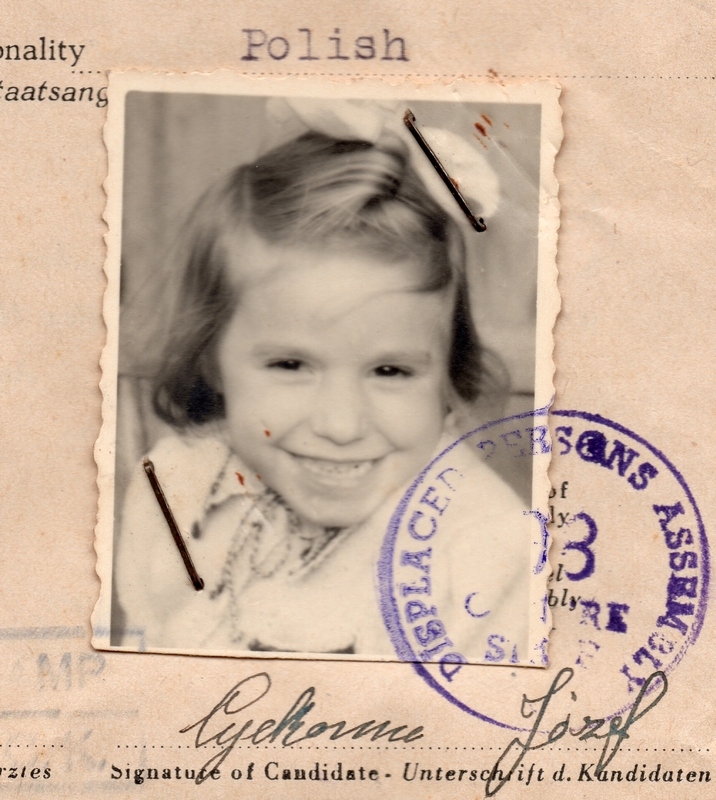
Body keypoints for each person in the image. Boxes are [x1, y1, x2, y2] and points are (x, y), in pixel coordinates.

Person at [114, 122, 534, 657]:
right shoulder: (176, 485)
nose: (341, 425)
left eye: (390, 372)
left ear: (448, 373)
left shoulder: (482, 548)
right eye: (291, 365)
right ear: (211, 359)